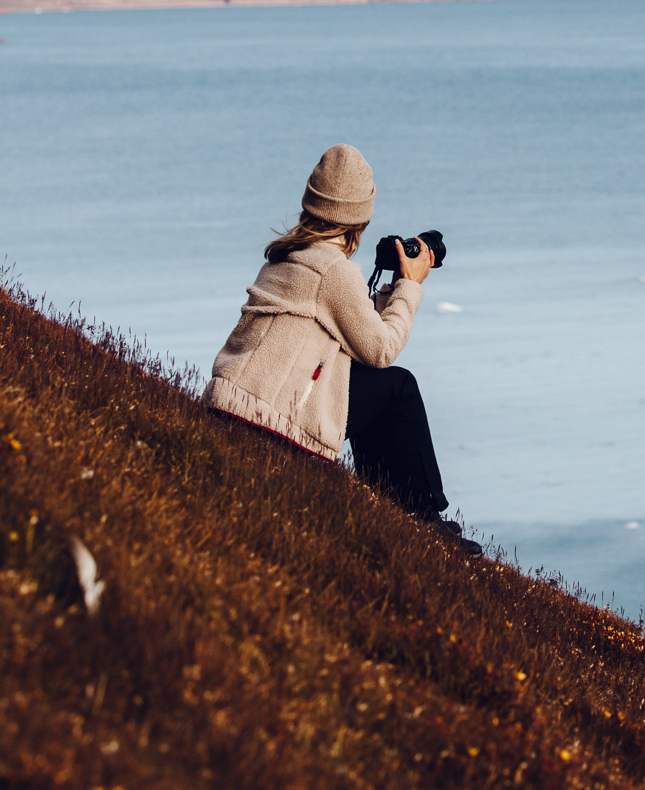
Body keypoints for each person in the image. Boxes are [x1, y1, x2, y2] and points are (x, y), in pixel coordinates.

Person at [203, 144, 480, 555]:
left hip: (230, 406)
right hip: (272, 425)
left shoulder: (285, 258)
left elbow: (348, 331)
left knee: (363, 380)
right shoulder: (334, 271)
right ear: (359, 218)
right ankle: (421, 517)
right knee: (397, 386)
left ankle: (389, 505)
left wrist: (385, 294)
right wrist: (410, 286)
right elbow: (382, 349)